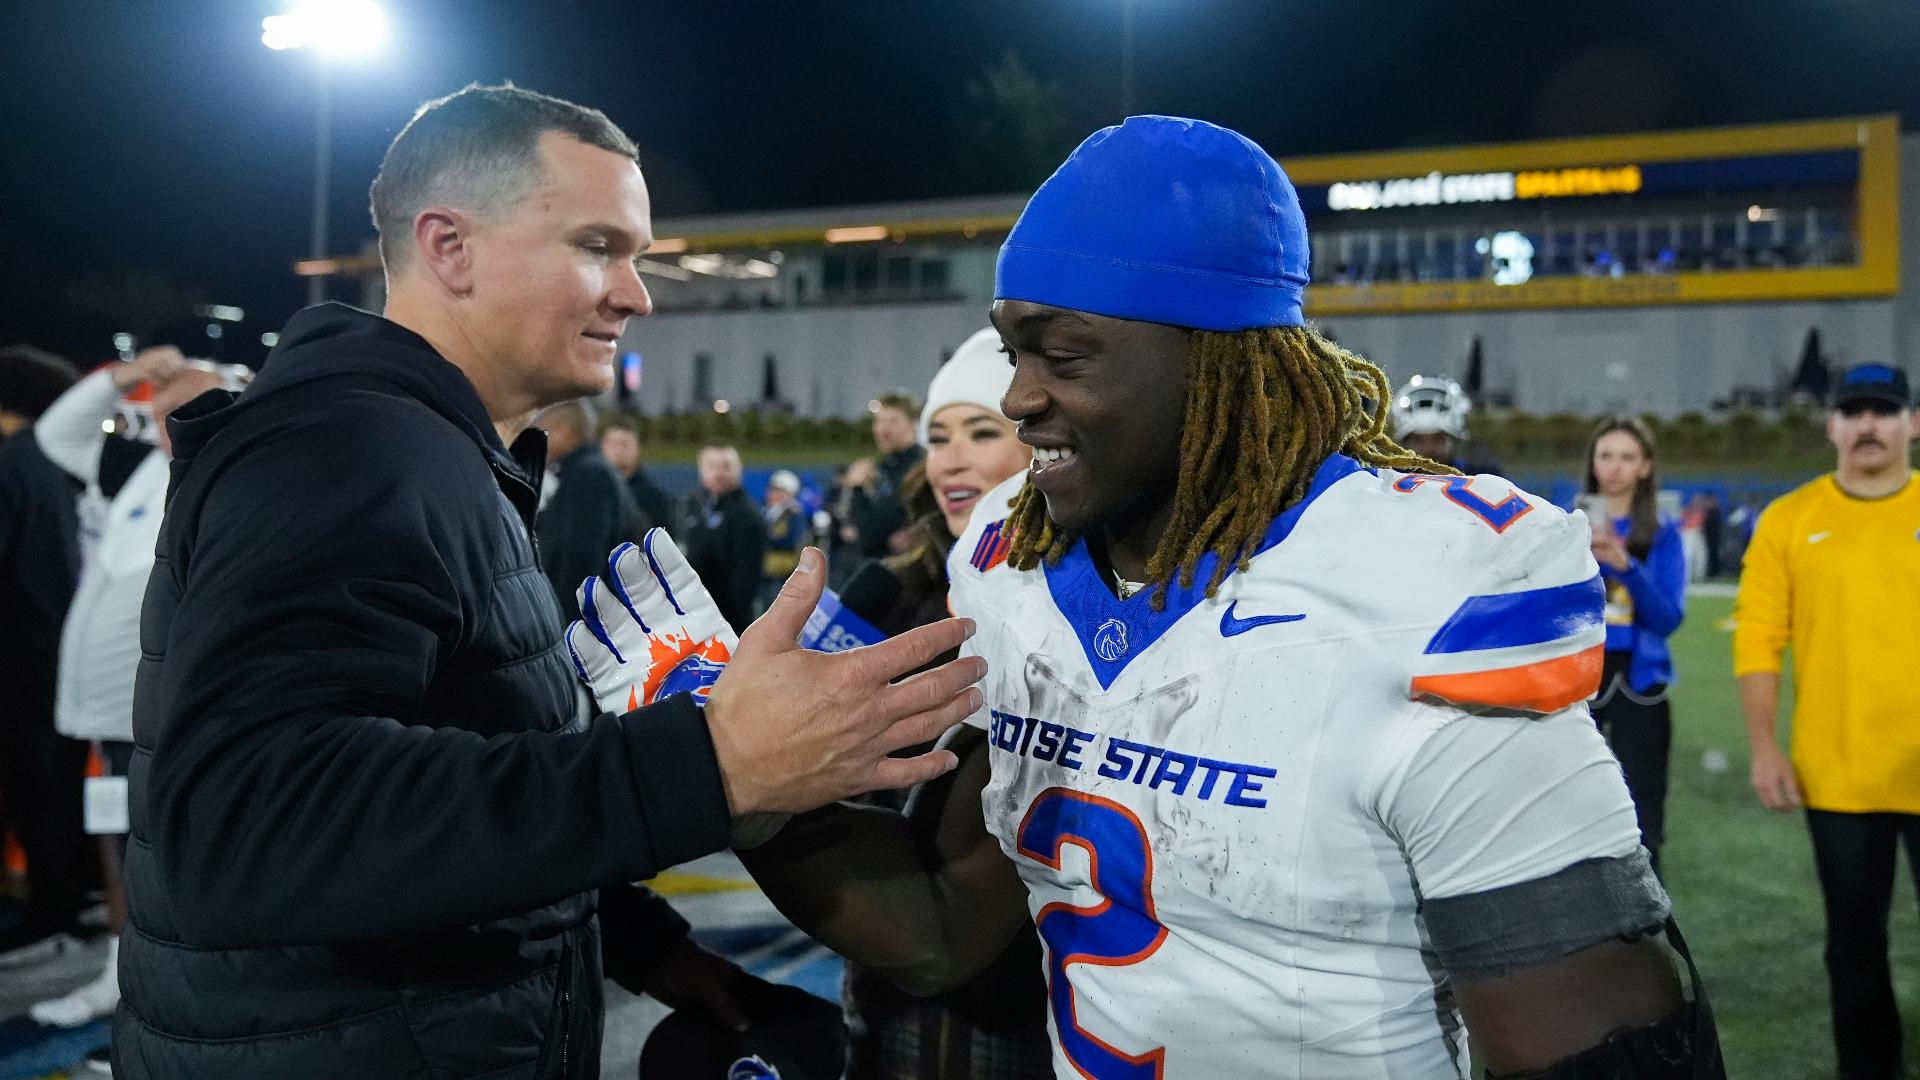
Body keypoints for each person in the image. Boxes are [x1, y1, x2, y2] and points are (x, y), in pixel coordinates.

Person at [574, 117, 1720, 1078]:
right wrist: (741, 776)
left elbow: (1595, 1028)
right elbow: (936, 937)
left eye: (1061, 355)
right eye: (1011, 351)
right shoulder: (1010, 574)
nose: (1019, 398)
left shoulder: (1419, 587)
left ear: (1219, 362)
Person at [115, 83, 983, 1078]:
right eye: (597, 246)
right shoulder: (349, 448)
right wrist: (711, 758)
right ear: (449, 247)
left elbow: (444, 778)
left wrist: (641, 946)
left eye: (637, 256)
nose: (636, 293)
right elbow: (246, 825)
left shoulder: (429, 454)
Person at [839, 327, 1053, 1080]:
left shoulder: (1080, 607)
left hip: (1019, 1002)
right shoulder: (895, 597)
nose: (951, 461)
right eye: (938, 436)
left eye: (981, 432)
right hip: (884, 983)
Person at [29, 348, 234, 1072]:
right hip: (104, 711)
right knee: (120, 845)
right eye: (161, 402)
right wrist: (124, 376)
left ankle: (171, 1005)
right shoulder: (144, 468)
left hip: (163, 711)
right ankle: (123, 976)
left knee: (169, 855)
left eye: (187, 398)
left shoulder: (229, 476)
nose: (164, 412)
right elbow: (56, 436)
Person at [1735, 361, 1920, 1080]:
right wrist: (1762, 748)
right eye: (1856, 411)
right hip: (1837, 773)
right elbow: (1758, 637)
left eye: (1884, 410)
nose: (1869, 424)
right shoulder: (1790, 519)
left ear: (1912, 423)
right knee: (1853, 944)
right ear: (1833, 425)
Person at [0, 344, 85, 966]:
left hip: (22, 648)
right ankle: (70, 897)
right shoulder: (68, 460)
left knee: (37, 789)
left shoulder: (13, 463)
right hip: (68, 644)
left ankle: (49, 914)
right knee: (60, 785)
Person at [1580, 416, 1686, 874]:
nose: (1615, 468)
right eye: (1606, 455)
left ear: (1645, 467)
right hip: (1578, 683)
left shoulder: (1662, 535)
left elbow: (1666, 620)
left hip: (1642, 685)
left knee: (1643, 820)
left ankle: (1647, 932)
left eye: (1627, 457)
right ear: (1593, 463)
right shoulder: (1565, 524)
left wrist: (1625, 566)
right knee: (1571, 811)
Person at [534, 397, 643, 610]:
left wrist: (567, 628)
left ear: (564, 431)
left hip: (588, 628)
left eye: (543, 430)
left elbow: (581, 563)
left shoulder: (588, 476)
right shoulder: (588, 471)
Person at [682, 444, 767, 632]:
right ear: (700, 470)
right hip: (692, 620)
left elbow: (746, 584)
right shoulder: (693, 505)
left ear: (739, 470)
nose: (719, 473)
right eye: (712, 466)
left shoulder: (749, 516)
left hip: (728, 625)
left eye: (726, 466)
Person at [848, 392, 926, 558]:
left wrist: (858, 488)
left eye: (893, 421)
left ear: (913, 426)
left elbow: (870, 534)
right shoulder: (885, 467)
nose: (883, 430)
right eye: (879, 421)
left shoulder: (919, 467)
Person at [1390, 374, 1504, 474]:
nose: (1429, 449)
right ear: (1405, 442)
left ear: (1453, 440)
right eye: (1418, 440)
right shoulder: (1387, 481)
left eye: (1438, 439)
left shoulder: (1480, 480)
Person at [600, 413, 673, 530]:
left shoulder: (654, 497)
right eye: (612, 444)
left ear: (637, 448)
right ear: (602, 447)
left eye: (624, 444)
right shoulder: (593, 490)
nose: (618, 451)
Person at [762, 468, 808, 600]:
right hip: (766, 571)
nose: (773, 494)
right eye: (772, 490)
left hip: (782, 572)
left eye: (779, 491)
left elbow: (790, 540)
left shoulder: (794, 513)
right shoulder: (768, 512)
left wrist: (764, 539)